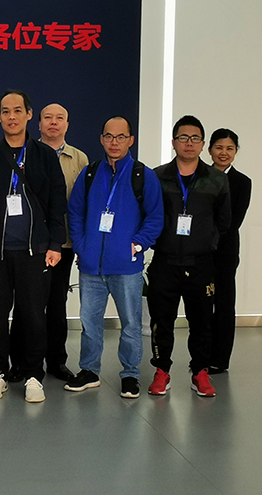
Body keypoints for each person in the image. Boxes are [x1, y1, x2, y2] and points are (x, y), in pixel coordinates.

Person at [0, 90, 67, 403]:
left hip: (35, 252)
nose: (11, 117)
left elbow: (57, 203)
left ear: (28, 114)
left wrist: (54, 243)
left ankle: (33, 375)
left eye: (17, 110)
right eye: (5, 111)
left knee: (34, 317)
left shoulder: (44, 156)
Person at [65, 116, 163, 398]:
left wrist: (138, 245)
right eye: (109, 136)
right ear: (101, 139)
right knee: (89, 323)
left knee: (131, 324)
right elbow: (75, 212)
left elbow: (155, 217)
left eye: (121, 137)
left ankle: (130, 374)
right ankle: (89, 370)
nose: (114, 142)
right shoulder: (90, 173)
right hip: (91, 268)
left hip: (126, 268)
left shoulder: (143, 175)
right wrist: (82, 247)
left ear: (131, 140)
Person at [148, 115, 230, 397]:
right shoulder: (157, 177)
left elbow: (224, 221)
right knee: (161, 322)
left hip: (201, 264)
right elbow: (149, 214)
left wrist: (206, 243)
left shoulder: (217, 180)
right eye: (183, 138)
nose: (189, 143)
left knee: (202, 322)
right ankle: (161, 371)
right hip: (165, 262)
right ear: (173, 142)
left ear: (203, 144)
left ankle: (200, 372)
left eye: (195, 138)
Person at [35, 102, 89, 381]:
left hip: (64, 243)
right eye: (48, 117)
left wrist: (81, 243)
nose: (53, 122)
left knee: (57, 303)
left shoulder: (79, 159)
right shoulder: (27, 153)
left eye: (59, 118)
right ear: (39, 123)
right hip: (30, 243)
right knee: (29, 304)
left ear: (67, 124)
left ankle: (56, 362)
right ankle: (23, 362)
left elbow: (85, 204)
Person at [207, 128, 251, 374]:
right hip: (199, 253)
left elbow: (234, 221)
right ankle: (201, 355)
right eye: (219, 147)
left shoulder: (242, 182)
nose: (224, 153)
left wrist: (207, 236)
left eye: (229, 148)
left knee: (223, 305)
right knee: (202, 306)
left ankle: (220, 359)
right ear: (209, 149)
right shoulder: (199, 176)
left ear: (236, 151)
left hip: (224, 252)